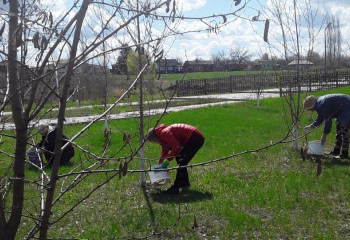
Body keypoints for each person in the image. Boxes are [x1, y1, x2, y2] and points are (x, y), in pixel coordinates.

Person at [146, 123, 204, 195]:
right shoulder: (162, 138)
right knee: (181, 160)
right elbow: (164, 154)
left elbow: (177, 147)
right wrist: (160, 166)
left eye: (154, 142)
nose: (155, 143)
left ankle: (175, 188)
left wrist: (168, 160)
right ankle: (184, 183)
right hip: (192, 138)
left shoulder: (164, 133)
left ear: (154, 138)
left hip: (195, 137)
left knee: (181, 161)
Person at [303, 94, 350, 158]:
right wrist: (311, 126)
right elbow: (320, 117)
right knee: (338, 130)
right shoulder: (318, 104)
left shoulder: (323, 105)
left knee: (344, 131)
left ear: (312, 106)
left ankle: (344, 154)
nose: (309, 111)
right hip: (342, 108)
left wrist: (324, 136)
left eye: (309, 109)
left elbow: (328, 122)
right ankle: (336, 151)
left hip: (347, 108)